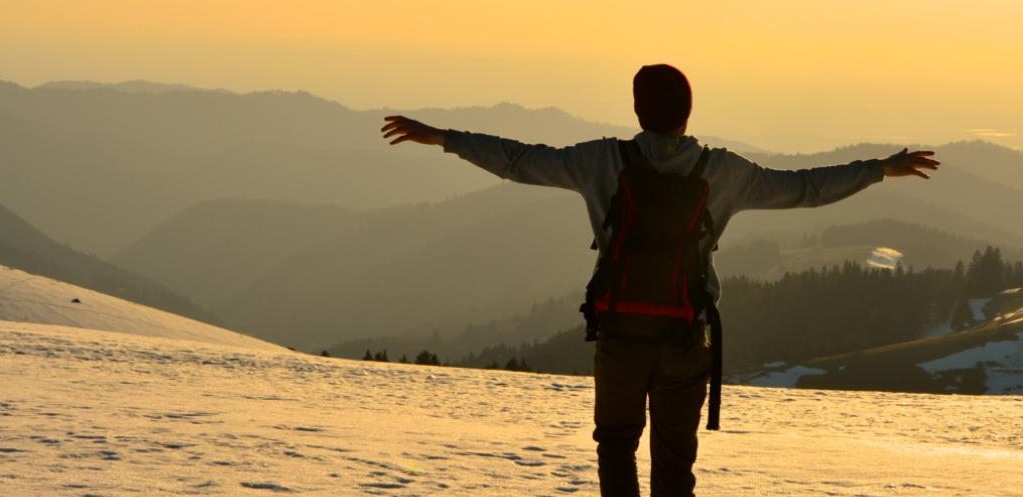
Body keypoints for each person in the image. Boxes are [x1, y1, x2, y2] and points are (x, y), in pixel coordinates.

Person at [380, 64, 939, 497]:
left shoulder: (603, 161)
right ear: (688, 113)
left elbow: (520, 161)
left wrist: (443, 137)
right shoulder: (724, 172)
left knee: (616, 446)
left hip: (621, 335)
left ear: (637, 109)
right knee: (675, 463)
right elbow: (806, 188)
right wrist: (877, 169)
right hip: (684, 340)